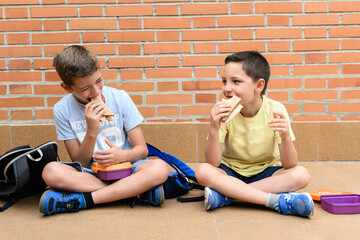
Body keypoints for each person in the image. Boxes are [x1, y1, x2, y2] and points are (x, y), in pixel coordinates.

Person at [39, 45, 170, 215]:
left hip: (128, 168)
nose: (96, 91)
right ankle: (134, 192)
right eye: (85, 89)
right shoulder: (62, 109)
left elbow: (142, 150)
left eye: (99, 81)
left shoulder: (120, 97)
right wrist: (92, 131)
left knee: (160, 168)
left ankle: (84, 200)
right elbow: (80, 161)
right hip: (91, 173)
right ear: (66, 87)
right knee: (51, 172)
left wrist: (122, 156)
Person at [195, 51, 314, 217]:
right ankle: (275, 201)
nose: (226, 88)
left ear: (259, 86)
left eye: (236, 81)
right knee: (203, 171)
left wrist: (286, 137)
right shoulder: (224, 112)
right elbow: (212, 162)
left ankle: (227, 196)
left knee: (301, 174)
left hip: (266, 173)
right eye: (224, 81)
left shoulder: (276, 110)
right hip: (230, 173)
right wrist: (214, 129)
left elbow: (289, 164)